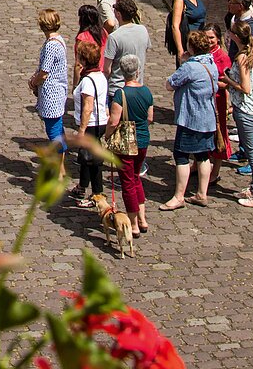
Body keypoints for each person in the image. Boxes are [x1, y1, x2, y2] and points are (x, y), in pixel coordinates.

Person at [161, 28, 219, 209]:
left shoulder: (190, 67)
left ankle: (179, 196)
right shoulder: (211, 63)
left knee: (181, 155)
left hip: (191, 119)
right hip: (208, 118)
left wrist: (184, 61)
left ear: (191, 48)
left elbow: (170, 84)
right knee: (202, 156)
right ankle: (202, 193)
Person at [105, 52, 154, 235]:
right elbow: (150, 117)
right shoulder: (146, 91)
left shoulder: (121, 95)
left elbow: (113, 122)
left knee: (127, 183)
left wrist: (108, 136)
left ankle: (133, 224)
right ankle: (142, 218)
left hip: (126, 143)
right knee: (136, 177)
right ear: (137, 71)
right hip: (143, 140)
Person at [226, 15, 253, 208]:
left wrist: (228, 82)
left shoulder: (243, 57)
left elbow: (246, 87)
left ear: (236, 36)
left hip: (246, 109)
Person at [72, 37, 109, 207]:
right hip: (101, 121)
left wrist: (81, 130)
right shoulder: (99, 76)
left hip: (92, 124)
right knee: (86, 158)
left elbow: (88, 108)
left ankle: (96, 194)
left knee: (93, 161)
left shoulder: (87, 81)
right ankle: (82, 185)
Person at [28, 9, 68, 152]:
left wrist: (33, 82)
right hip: (58, 90)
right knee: (57, 129)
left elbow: (44, 72)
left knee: (53, 130)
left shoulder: (51, 45)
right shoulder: (58, 40)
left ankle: (59, 168)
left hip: (52, 93)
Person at [206, 22, 233, 189]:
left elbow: (227, 83)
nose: (209, 41)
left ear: (218, 38)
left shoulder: (222, 57)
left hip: (217, 101)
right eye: (207, 38)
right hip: (205, 100)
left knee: (218, 135)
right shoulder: (203, 52)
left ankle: (215, 171)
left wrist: (209, 82)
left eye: (212, 38)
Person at [104, 0, 150, 93]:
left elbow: (107, 69)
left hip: (118, 89)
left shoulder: (114, 37)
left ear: (118, 14)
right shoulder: (143, 30)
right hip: (138, 86)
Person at [166, 0, 206, 64]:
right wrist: (180, 49)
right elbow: (175, 26)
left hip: (201, 43)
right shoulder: (180, 0)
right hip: (189, 44)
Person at [73, 4, 106, 84]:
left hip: (88, 75)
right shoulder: (103, 33)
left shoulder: (82, 37)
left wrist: (75, 85)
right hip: (102, 74)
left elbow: (79, 64)